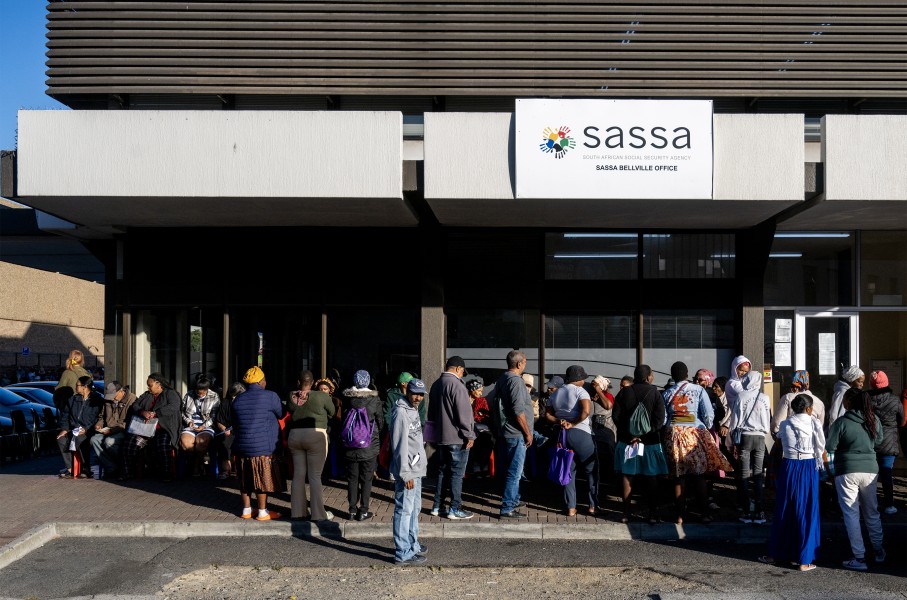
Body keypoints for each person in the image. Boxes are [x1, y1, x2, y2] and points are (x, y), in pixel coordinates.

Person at [758, 393, 825, 571]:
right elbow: (820, 446)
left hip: (788, 467)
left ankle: (775, 553)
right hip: (808, 466)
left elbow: (780, 440)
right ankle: (805, 559)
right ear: (809, 409)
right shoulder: (813, 423)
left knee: (785, 508)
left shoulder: (785, 424)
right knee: (807, 510)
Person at [663, 362, 732, 524]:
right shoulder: (699, 390)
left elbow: (664, 418)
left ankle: (679, 515)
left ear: (673, 376)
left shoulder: (666, 393)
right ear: (687, 374)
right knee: (699, 475)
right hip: (694, 433)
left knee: (679, 476)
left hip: (673, 434)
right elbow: (708, 416)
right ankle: (704, 514)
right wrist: (705, 427)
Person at [826, 389, 885, 571]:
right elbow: (879, 441)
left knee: (851, 514)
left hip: (846, 471)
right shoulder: (873, 420)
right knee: (872, 512)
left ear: (849, 402)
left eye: (844, 399)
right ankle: (878, 550)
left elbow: (830, 447)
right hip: (870, 470)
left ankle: (859, 557)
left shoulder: (841, 423)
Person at [612, 364, 668, 523]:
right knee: (651, 477)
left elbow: (616, 416)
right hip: (650, 443)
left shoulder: (624, 392)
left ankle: (625, 514)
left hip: (627, 442)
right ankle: (652, 514)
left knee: (628, 476)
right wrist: (643, 436)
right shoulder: (655, 393)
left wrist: (631, 434)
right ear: (648, 377)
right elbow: (660, 421)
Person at [232, 366, 286, 521]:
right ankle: (263, 512)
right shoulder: (270, 396)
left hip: (242, 446)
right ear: (261, 381)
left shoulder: (237, 400)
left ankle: (247, 510)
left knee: (245, 479)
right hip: (263, 446)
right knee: (260, 479)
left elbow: (235, 423)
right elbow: (281, 413)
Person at [544, 365, 599, 516]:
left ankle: (571, 508)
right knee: (591, 470)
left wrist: (559, 421)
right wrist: (573, 423)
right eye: (583, 378)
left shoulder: (555, 394)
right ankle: (593, 506)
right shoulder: (580, 391)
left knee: (568, 470)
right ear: (578, 379)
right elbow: (586, 412)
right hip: (580, 433)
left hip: (561, 434)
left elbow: (547, 416)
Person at [427, 356, 475, 520]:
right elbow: (464, 415)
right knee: (456, 474)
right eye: (462, 371)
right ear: (457, 369)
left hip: (441, 437)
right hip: (457, 437)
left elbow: (431, 414)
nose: (462, 374)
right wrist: (469, 434)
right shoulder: (457, 385)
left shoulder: (436, 385)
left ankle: (437, 506)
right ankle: (455, 508)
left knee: (442, 472)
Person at [286, 370, 337, 522]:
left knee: (298, 474)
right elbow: (332, 411)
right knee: (315, 476)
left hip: (295, 436)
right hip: (316, 435)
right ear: (314, 382)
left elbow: (290, 409)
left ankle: (298, 512)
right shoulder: (321, 396)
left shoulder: (291, 396)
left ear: (298, 382)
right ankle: (318, 514)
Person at [726, 358, 771, 524]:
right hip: (760, 437)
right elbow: (767, 420)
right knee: (759, 475)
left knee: (744, 474)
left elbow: (735, 421)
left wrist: (731, 438)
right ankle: (759, 512)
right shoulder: (764, 398)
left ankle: (746, 511)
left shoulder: (741, 396)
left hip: (744, 437)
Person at [390, 378, 429, 565]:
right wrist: (405, 474)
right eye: (415, 393)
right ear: (406, 390)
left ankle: (412, 544)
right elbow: (399, 445)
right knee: (404, 510)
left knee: (414, 509)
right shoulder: (400, 412)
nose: (418, 397)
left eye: (421, 394)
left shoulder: (412, 409)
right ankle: (403, 551)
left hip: (416, 468)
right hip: (408, 471)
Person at [491, 350, 534, 519]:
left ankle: (514, 499)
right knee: (514, 472)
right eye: (524, 362)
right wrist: (527, 432)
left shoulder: (503, 379)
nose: (525, 364)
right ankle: (507, 507)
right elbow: (518, 411)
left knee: (510, 469)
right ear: (519, 364)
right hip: (515, 433)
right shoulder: (516, 381)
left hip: (506, 432)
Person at [122, 372, 182, 482]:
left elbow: (174, 406)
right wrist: (142, 411)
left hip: (163, 428)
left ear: (158, 384)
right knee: (130, 443)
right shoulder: (147, 395)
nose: (148, 388)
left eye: (150, 385)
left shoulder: (170, 393)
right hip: (145, 430)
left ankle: (167, 474)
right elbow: (135, 405)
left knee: (163, 445)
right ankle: (128, 472)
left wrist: (156, 413)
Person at [339, 369, 382, 521]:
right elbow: (380, 422)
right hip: (368, 447)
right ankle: (363, 511)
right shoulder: (374, 400)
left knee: (352, 478)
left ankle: (351, 510)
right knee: (367, 479)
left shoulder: (347, 399)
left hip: (350, 445)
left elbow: (342, 420)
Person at [867, 370, 903, 514]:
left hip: (871, 441)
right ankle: (889, 505)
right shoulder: (895, 400)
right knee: (887, 474)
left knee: (870, 475)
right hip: (889, 443)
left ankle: (871, 505)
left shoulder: (867, 399)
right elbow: (901, 420)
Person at [56, 375, 104, 479]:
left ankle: (85, 468)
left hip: (88, 430)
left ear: (85, 387)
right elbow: (65, 415)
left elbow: (96, 418)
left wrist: (86, 429)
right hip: (73, 429)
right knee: (61, 440)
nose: (75, 387)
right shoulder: (73, 399)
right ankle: (70, 468)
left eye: (77, 385)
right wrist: (65, 429)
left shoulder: (96, 400)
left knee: (80, 439)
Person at [90, 381, 136, 479]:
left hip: (122, 430)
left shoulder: (131, 399)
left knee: (109, 441)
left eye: (114, 396)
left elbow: (128, 423)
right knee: (94, 440)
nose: (113, 399)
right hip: (108, 429)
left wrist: (112, 431)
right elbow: (102, 417)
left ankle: (121, 466)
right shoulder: (108, 400)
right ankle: (112, 467)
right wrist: (99, 425)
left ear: (121, 391)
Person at [179, 377, 221, 477]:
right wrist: (188, 421)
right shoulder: (189, 394)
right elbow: (182, 412)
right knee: (185, 443)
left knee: (201, 442)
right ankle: (199, 464)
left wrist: (204, 426)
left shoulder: (214, 396)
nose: (199, 394)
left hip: (207, 425)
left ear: (207, 390)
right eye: (198, 392)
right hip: (191, 425)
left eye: (202, 393)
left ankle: (195, 467)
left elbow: (214, 415)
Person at [772, 371, 826, 435]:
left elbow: (776, 424)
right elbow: (820, 427)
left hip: (791, 437)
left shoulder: (788, 397)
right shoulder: (819, 402)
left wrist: (779, 437)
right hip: (811, 439)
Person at [214, 381, 245, 479]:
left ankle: (241, 470)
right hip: (228, 430)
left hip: (242, 430)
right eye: (232, 395)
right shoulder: (225, 403)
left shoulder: (246, 404)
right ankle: (226, 469)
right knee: (225, 442)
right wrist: (224, 429)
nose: (233, 398)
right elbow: (219, 420)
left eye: (236, 395)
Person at [466, 378, 494, 477]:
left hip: (482, 429)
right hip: (468, 429)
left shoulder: (482, 401)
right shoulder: (464, 401)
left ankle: (484, 468)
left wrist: (479, 415)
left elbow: (485, 416)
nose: (481, 394)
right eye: (479, 391)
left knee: (486, 441)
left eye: (481, 391)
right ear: (472, 390)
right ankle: (474, 468)